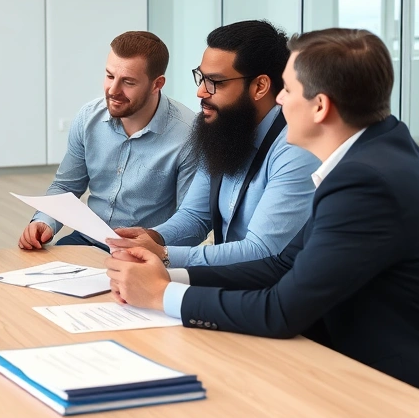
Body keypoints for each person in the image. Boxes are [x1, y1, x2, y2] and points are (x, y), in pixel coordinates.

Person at [105, 28, 419, 394]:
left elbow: (283, 310)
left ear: (320, 106)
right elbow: (282, 265)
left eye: (287, 89)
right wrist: (167, 277)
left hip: (383, 382)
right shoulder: (376, 152)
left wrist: (160, 295)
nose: (279, 100)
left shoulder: (365, 182)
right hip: (342, 350)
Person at [107, 20, 319, 267]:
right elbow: (195, 216)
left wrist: (163, 254)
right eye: (201, 78)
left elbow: (263, 250)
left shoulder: (295, 147)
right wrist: (151, 237)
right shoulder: (223, 127)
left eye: (215, 82)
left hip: (272, 289)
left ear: (260, 86)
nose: (201, 92)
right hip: (228, 279)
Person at [17, 31, 197, 251]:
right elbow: (66, 186)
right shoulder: (88, 118)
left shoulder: (189, 135)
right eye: (110, 76)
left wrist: (155, 238)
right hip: (88, 240)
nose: (113, 90)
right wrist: (44, 221)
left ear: (156, 84)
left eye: (128, 82)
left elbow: (192, 218)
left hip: (144, 250)